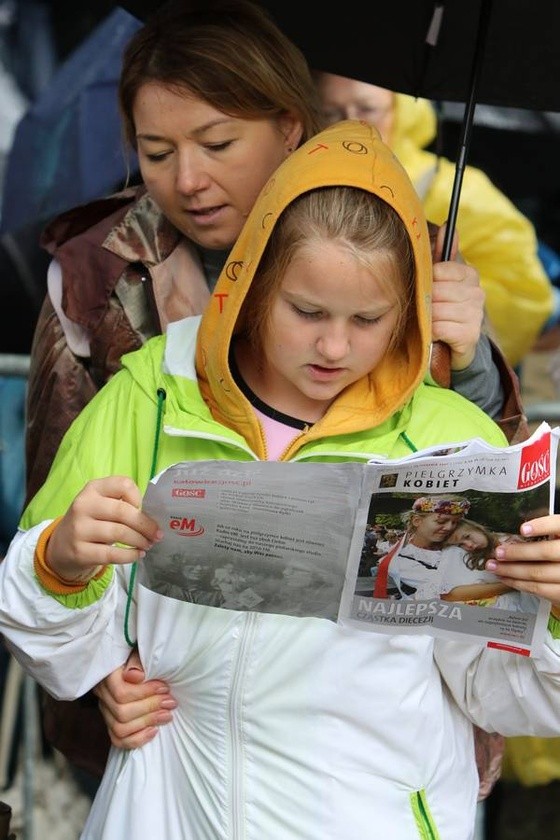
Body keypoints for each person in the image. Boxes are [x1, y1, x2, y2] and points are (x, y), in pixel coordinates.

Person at [15, 0, 527, 786]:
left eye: (218, 144)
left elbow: (487, 500)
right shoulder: (97, 275)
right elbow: (61, 520)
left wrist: (473, 357)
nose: (189, 179)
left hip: (374, 732)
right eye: (155, 151)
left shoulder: (406, 248)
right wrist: (100, 672)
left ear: (291, 127)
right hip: (173, 715)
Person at [314, 72, 556, 371]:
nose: (351, 124)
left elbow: (524, 297)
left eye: (367, 110)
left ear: (401, 112)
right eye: (331, 112)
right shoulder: (307, 183)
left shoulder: (462, 190)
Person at [372, 495, 471, 600]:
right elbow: (448, 589)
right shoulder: (400, 559)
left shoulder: (460, 548)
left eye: (455, 523)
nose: (449, 527)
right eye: (441, 522)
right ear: (417, 521)